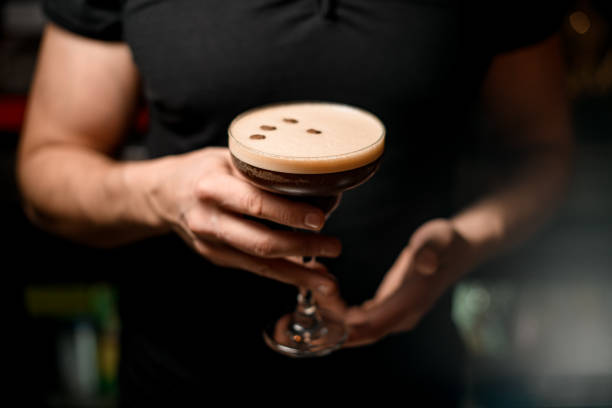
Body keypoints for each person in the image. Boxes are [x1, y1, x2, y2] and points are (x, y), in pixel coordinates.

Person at [17, 0, 573, 404]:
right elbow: (45, 171)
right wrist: (163, 195)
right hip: (182, 375)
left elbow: (542, 151)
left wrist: (472, 239)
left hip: (410, 375)